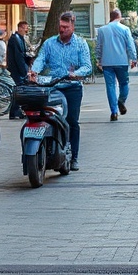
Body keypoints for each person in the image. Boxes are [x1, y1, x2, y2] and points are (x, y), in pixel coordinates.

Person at [28, 11, 92, 170]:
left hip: (72, 88)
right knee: (47, 117)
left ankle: (74, 157)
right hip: (53, 87)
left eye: (66, 27)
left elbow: (87, 67)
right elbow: (41, 59)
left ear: (72, 27)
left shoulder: (80, 44)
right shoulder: (49, 43)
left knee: (72, 121)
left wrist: (75, 74)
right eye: (60, 26)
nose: (62, 29)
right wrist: (34, 72)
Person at [95, 8, 138, 121]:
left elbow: (98, 46)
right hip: (122, 61)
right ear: (119, 17)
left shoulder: (102, 30)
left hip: (107, 62)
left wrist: (98, 59)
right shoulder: (125, 29)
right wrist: (134, 58)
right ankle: (121, 100)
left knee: (110, 86)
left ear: (111, 16)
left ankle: (113, 112)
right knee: (124, 83)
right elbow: (130, 45)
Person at [6, 21, 32, 119]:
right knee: (19, 91)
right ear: (20, 28)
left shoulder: (20, 39)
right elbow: (18, 57)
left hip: (17, 68)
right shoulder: (15, 39)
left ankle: (16, 111)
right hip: (16, 69)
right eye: (25, 28)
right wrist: (24, 70)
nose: (26, 30)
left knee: (18, 90)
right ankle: (15, 111)